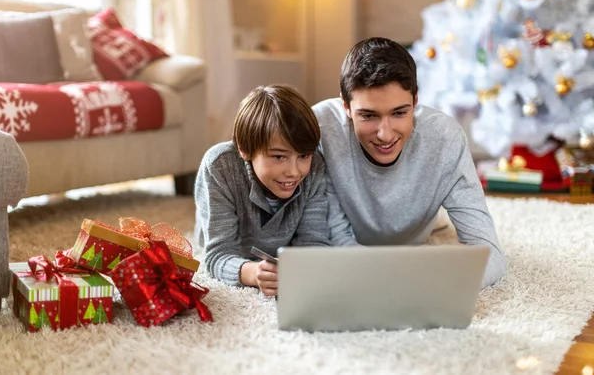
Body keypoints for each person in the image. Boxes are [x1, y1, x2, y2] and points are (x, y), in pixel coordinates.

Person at [312, 37, 506, 288]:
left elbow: (490, 254)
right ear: (346, 106)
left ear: (415, 102)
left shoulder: (444, 137)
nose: (385, 134)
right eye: (368, 115)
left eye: (399, 113)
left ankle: (438, 224)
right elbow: (327, 237)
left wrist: (436, 284)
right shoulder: (319, 127)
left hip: (414, 238)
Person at [195, 84, 330, 296]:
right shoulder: (219, 166)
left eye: (303, 155)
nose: (294, 172)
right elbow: (217, 255)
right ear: (245, 149)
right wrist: (253, 273)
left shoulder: (315, 168)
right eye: (278, 157)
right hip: (236, 251)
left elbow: (314, 241)